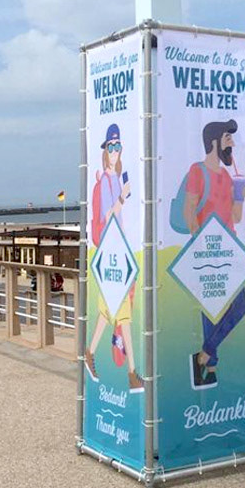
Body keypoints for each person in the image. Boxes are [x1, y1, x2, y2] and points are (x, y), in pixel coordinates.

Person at [183, 119, 245, 389]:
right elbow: (189, 211)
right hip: (207, 248)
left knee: (240, 307)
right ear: (213, 141)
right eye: (227, 137)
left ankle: (204, 355)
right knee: (211, 309)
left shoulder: (227, 176)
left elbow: (237, 218)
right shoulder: (197, 171)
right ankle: (210, 368)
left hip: (229, 248)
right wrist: (200, 244)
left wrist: (239, 196)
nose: (232, 142)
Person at [85, 124, 143, 392]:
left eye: (118, 146)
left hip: (116, 250)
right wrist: (122, 196)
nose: (115, 151)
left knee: (108, 310)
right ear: (105, 151)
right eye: (111, 146)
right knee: (123, 314)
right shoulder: (105, 184)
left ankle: (91, 352)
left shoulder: (115, 179)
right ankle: (132, 373)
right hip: (111, 251)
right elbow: (107, 218)